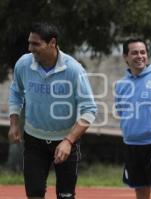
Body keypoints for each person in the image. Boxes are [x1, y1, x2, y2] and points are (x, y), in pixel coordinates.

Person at [8, 23, 97, 199]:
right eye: (29, 43)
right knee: (34, 193)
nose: (30, 48)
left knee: (65, 196)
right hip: (34, 140)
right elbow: (16, 93)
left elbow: (89, 110)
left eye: (36, 44)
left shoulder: (74, 70)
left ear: (52, 43)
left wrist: (68, 141)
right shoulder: (23, 64)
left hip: (66, 142)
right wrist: (14, 123)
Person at [115, 38, 151, 199]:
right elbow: (121, 111)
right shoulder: (121, 85)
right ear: (125, 56)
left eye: (143, 52)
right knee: (140, 192)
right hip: (132, 144)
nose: (139, 56)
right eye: (134, 53)